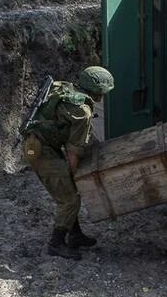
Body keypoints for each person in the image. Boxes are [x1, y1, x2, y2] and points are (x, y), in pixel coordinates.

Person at [22, 66, 114, 260]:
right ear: (97, 92)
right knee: (70, 198)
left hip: (40, 142)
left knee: (70, 190)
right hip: (40, 151)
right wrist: (74, 173)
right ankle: (56, 244)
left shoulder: (64, 88)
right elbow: (73, 151)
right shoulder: (81, 111)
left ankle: (75, 235)